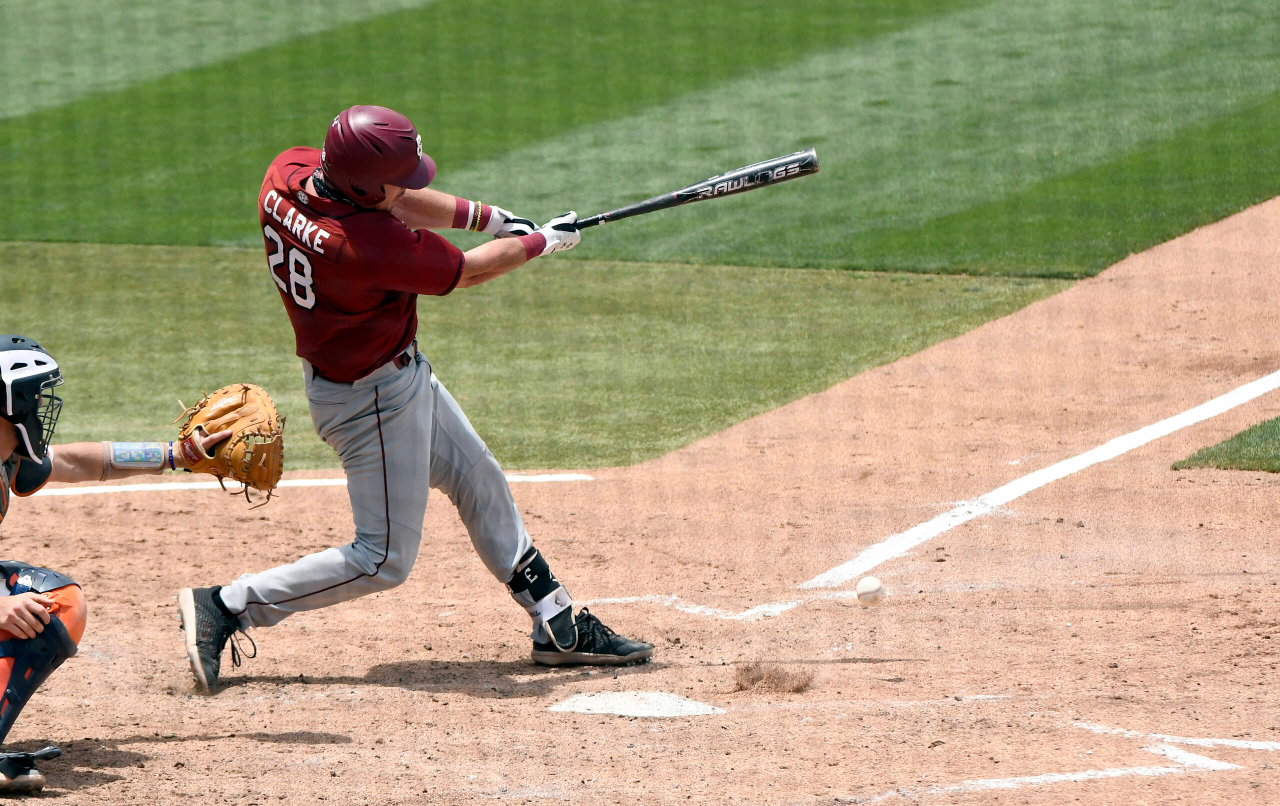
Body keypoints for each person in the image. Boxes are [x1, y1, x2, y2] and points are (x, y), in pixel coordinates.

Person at [178, 105, 652, 693]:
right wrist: (539, 244)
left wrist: (496, 218)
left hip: (387, 378)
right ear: (361, 182)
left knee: (478, 476)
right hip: (371, 401)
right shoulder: (365, 247)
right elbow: (468, 273)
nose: (407, 185)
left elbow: (394, 199)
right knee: (382, 559)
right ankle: (226, 605)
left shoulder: (288, 173)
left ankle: (557, 623)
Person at [0, 335, 229, 792]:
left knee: (51, 600)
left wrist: (173, 455)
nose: (42, 407)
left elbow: (77, 461)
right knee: (43, 606)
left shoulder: (7, 457)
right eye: (35, 396)